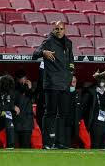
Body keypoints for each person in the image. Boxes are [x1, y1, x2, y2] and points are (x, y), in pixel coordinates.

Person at [32, 21, 75, 149]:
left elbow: (71, 60)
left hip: (64, 83)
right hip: (51, 83)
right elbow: (35, 54)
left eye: (61, 29)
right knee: (50, 113)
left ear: (65, 30)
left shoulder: (69, 43)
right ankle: (47, 143)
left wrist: (71, 74)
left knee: (63, 114)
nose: (59, 31)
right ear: (53, 29)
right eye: (56, 29)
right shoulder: (48, 41)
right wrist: (43, 52)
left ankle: (59, 142)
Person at [82, 78, 105, 149]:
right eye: (100, 80)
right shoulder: (91, 92)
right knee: (95, 145)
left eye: (103, 80)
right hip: (95, 122)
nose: (102, 82)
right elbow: (84, 107)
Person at [13, 70, 34, 148]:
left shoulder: (29, 90)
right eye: (21, 78)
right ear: (17, 79)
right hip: (16, 121)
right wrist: (13, 106)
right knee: (14, 147)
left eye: (25, 78)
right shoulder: (14, 89)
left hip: (27, 123)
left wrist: (30, 88)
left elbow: (33, 99)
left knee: (26, 146)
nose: (23, 80)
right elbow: (11, 101)